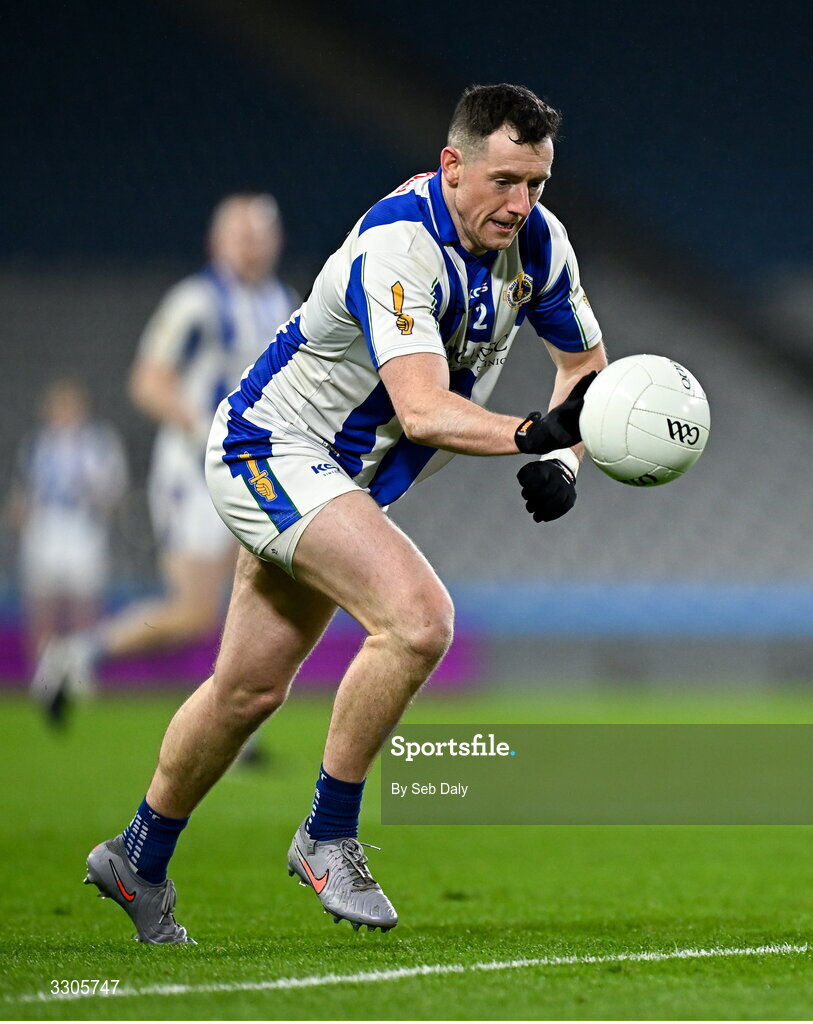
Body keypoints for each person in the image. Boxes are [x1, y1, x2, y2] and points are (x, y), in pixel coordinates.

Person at [82, 83, 607, 943]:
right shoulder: (402, 245)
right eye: (505, 180)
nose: (522, 204)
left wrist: (566, 458)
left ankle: (137, 858)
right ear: (452, 165)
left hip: (338, 480)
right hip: (271, 451)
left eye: (537, 184)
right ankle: (327, 835)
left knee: (248, 690)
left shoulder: (540, 246)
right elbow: (425, 407)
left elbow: (584, 367)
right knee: (419, 621)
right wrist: (529, 433)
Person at [32, 193, 299, 727]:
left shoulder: (283, 301)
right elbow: (148, 383)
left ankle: (233, 728)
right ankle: (77, 655)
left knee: (254, 598)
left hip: (254, 469)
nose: (253, 244)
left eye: (261, 234)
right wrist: (207, 429)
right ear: (217, 241)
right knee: (196, 610)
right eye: (242, 234)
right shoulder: (196, 302)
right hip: (195, 473)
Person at [10, 378, 127, 666]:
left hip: (82, 527)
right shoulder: (37, 444)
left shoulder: (99, 444)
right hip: (46, 526)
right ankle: (42, 670)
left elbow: (113, 489)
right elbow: (25, 491)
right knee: (41, 605)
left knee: (84, 605)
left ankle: (79, 670)